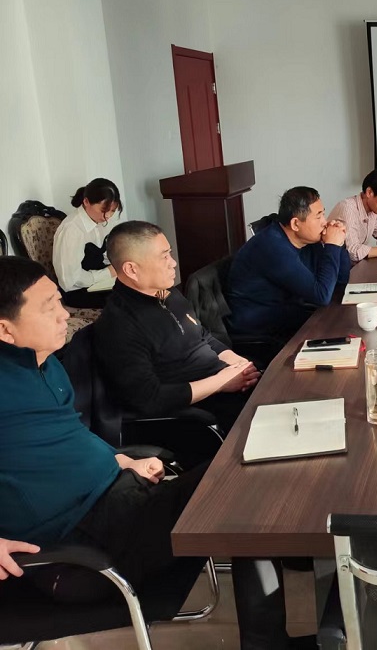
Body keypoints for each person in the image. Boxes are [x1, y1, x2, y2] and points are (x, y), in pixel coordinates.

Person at [0, 256, 308, 649]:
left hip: (122, 501)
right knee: (240, 487)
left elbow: (69, 435)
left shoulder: (44, 364)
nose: (65, 315)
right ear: (5, 329)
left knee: (247, 470)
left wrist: (121, 459)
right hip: (79, 549)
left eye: (60, 301)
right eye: (48, 308)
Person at [94, 222, 260, 435]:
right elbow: (149, 399)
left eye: (170, 253)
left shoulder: (168, 293)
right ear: (131, 269)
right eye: (164, 257)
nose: (173, 263)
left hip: (226, 380)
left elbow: (202, 336)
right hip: (198, 411)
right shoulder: (119, 325)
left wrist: (238, 363)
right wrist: (222, 382)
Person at [228, 186, 350, 359]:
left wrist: (339, 244)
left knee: (347, 329)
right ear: (295, 224)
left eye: (323, 214)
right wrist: (332, 246)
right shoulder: (272, 247)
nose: (325, 222)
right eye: (318, 216)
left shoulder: (306, 240)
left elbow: (340, 282)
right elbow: (321, 296)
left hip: (289, 316)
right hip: (262, 332)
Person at [52, 178, 123, 309]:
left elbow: (105, 254)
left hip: (99, 282)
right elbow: (69, 281)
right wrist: (107, 273)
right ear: (86, 202)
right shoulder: (72, 229)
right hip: (78, 291)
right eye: (103, 210)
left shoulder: (101, 220)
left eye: (113, 210)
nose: (108, 216)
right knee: (128, 299)